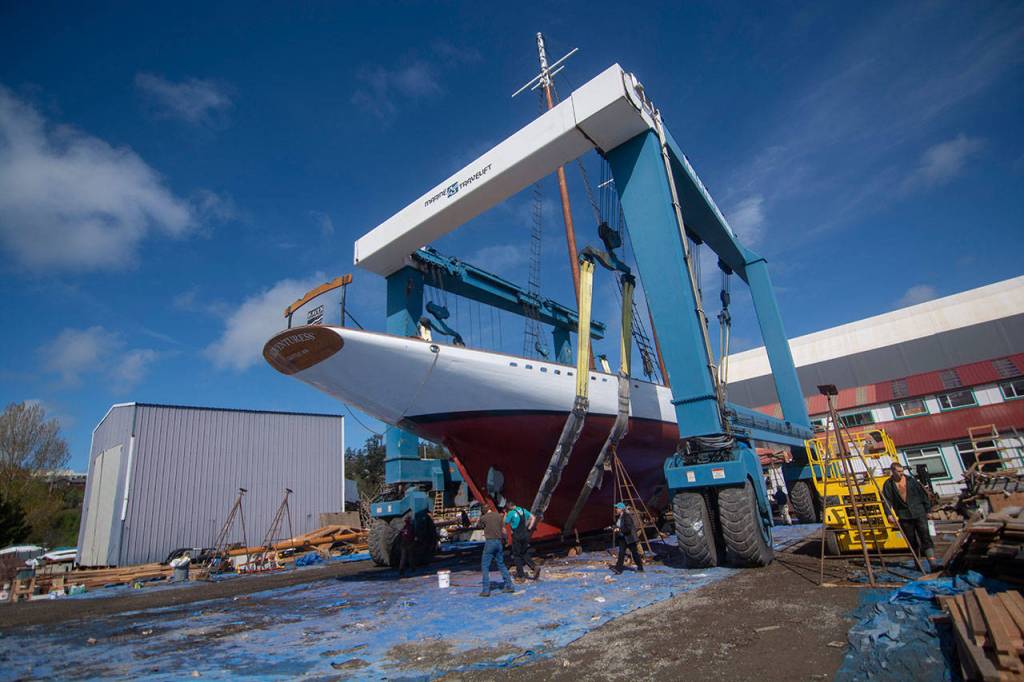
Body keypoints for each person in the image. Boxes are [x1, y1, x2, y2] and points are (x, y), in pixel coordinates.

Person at [881, 462, 936, 565]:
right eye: (899, 471)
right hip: (904, 515)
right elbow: (887, 500)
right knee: (911, 540)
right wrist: (888, 514)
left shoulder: (911, 481)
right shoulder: (888, 484)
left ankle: (933, 563)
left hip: (919, 512)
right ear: (893, 471)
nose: (901, 473)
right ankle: (917, 562)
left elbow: (923, 495)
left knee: (925, 537)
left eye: (902, 471)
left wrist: (928, 511)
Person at [477, 504, 514, 596]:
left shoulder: (484, 518)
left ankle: (486, 590)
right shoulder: (499, 516)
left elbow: (479, 526)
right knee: (501, 564)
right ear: (490, 509)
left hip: (490, 542)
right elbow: (504, 530)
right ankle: (509, 586)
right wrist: (505, 540)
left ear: (483, 511)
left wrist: (480, 517)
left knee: (485, 566)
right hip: (498, 542)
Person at [504, 501, 540, 581]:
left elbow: (505, 522)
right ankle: (534, 567)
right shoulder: (523, 510)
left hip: (517, 536)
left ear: (509, 507)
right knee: (523, 552)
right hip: (525, 535)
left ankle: (521, 575)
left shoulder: (511, 513)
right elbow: (533, 517)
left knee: (516, 555)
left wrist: (506, 515)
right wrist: (529, 528)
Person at [609, 502, 644, 574]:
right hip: (622, 538)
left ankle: (640, 567)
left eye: (617, 508)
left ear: (621, 509)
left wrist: (619, 530)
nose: (616, 509)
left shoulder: (627, 516)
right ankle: (618, 570)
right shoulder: (619, 517)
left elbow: (628, 528)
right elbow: (619, 525)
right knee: (621, 553)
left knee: (634, 553)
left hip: (630, 538)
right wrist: (614, 527)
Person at [397, 513, 416, 578]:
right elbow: (413, 535)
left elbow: (400, 536)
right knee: (410, 557)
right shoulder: (410, 527)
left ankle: (401, 570)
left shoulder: (404, 527)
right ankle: (412, 569)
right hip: (409, 544)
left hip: (404, 544)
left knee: (403, 558)